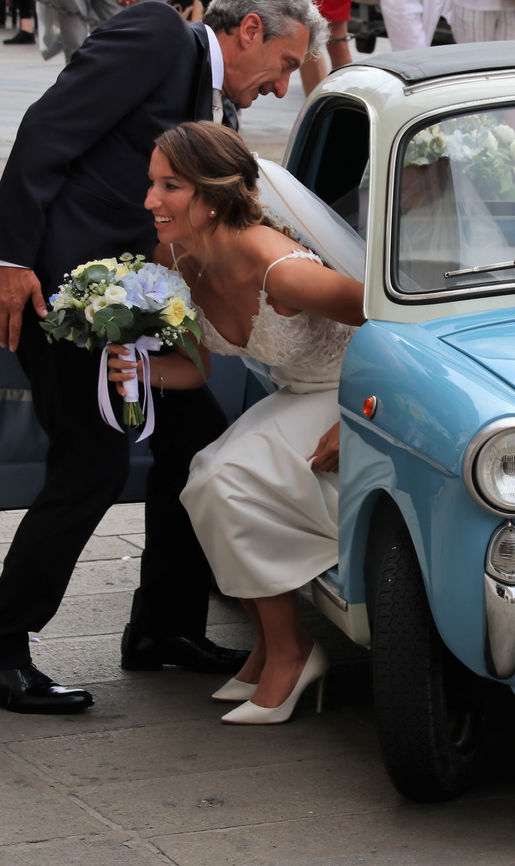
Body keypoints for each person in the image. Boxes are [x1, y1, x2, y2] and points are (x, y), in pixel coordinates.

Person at [0, 0, 326, 714]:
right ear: (250, 30)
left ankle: (163, 628)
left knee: (193, 441)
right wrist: (9, 260)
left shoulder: (206, 94)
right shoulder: (158, 34)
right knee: (90, 465)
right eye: (286, 63)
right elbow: (48, 127)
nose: (285, 85)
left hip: (118, 305)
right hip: (51, 288)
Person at [106, 122, 364, 724]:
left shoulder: (284, 272)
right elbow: (194, 369)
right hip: (301, 394)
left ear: (215, 196)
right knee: (205, 480)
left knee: (225, 478)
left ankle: (292, 655)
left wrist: (360, 422)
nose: (149, 201)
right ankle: (274, 647)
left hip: (359, 390)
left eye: (169, 186)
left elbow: (399, 328)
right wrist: (140, 372)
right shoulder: (174, 257)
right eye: (151, 184)